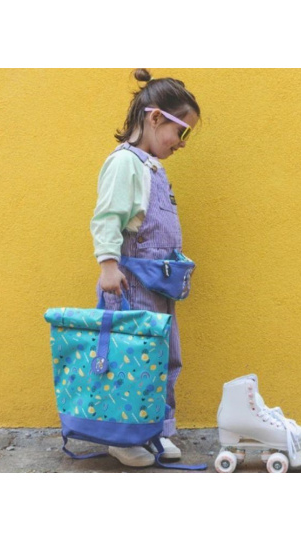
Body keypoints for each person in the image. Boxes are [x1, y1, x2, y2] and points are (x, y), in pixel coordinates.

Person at [90, 68, 201, 467]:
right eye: (181, 131)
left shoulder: (152, 166)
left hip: (157, 287)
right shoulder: (125, 163)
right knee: (132, 359)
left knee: (163, 358)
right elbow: (107, 217)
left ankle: (156, 430)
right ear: (155, 118)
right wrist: (108, 265)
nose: (182, 142)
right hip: (130, 285)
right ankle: (125, 435)